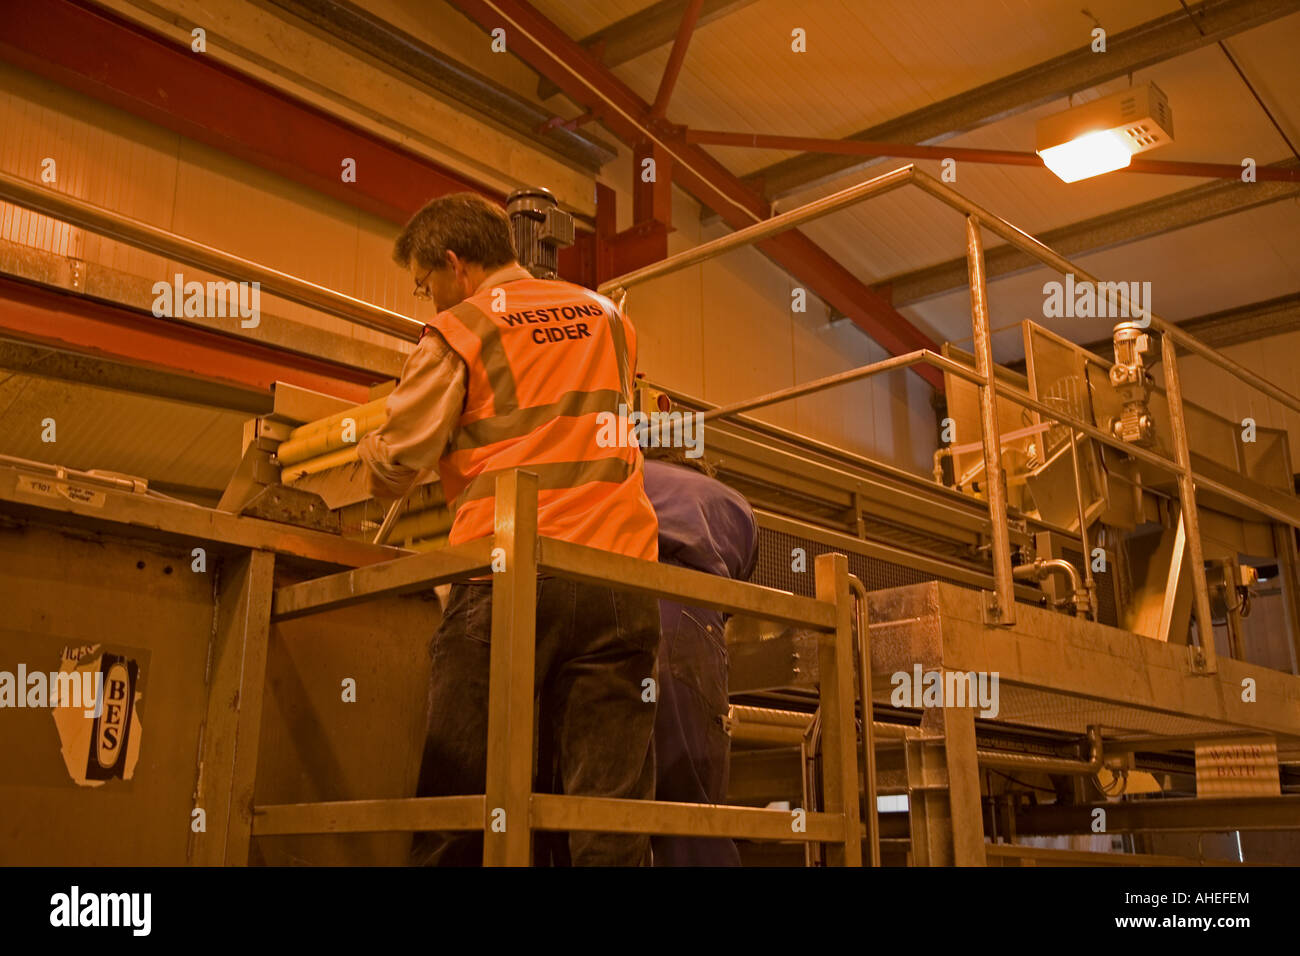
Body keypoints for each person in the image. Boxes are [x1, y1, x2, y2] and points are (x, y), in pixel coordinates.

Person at [357, 192, 661, 866]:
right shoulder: (610, 318)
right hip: (620, 576)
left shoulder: (461, 328)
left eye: (425, 284)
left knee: (462, 807)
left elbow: (400, 461)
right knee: (607, 819)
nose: (427, 300)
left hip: (507, 577)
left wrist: (364, 453)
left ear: (455, 265)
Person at [641, 444, 757, 866]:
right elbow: (731, 594)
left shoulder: (625, 471)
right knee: (691, 800)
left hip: (608, 602)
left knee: (602, 797)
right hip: (689, 617)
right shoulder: (732, 504)